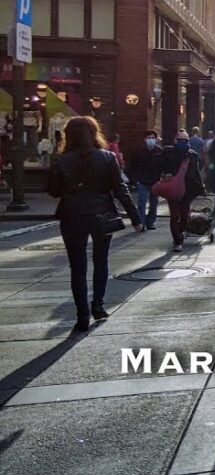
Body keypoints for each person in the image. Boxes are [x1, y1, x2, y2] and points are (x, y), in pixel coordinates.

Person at [47, 117, 144, 332]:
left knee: (77, 267)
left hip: (72, 214)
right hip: (102, 214)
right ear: (94, 133)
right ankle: (98, 306)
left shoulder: (61, 160)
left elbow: (53, 191)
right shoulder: (108, 157)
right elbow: (120, 189)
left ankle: (82, 315)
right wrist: (136, 218)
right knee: (101, 260)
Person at [160, 130, 205, 252]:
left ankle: (179, 233)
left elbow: (196, 172)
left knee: (184, 215)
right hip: (173, 187)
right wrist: (164, 175)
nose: (183, 143)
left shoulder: (192, 155)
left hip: (188, 188)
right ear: (175, 140)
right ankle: (178, 240)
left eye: (185, 141)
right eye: (181, 140)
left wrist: (201, 187)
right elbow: (160, 166)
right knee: (175, 215)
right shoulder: (168, 153)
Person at [125, 130, 164, 230]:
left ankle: (150, 222)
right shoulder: (138, 151)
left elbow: (163, 165)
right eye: (148, 138)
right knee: (141, 203)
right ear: (145, 139)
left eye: (153, 138)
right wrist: (134, 179)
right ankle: (141, 223)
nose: (151, 140)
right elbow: (132, 166)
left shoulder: (160, 151)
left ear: (156, 139)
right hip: (142, 180)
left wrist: (162, 178)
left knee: (154, 204)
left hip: (155, 180)